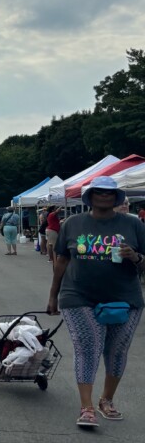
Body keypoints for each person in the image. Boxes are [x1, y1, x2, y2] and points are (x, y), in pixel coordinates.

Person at [47, 176, 145, 428]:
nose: (104, 196)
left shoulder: (133, 225)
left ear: (117, 198)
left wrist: (135, 257)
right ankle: (86, 407)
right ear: (90, 196)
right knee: (88, 345)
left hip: (125, 298)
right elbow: (61, 261)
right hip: (79, 296)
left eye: (110, 193)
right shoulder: (73, 224)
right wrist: (53, 295)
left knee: (117, 349)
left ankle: (106, 400)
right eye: (99, 192)